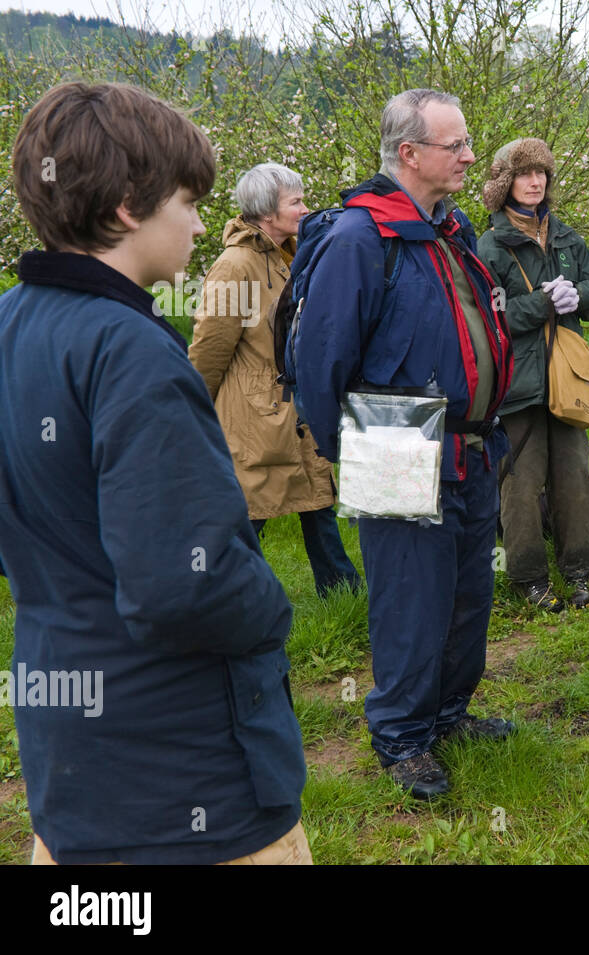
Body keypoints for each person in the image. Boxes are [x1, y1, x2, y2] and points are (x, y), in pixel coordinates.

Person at [0, 82, 309, 864]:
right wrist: (270, 606)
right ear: (131, 205)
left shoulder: (11, 325)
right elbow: (182, 584)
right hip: (182, 777)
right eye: (187, 200)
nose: (203, 221)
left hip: (70, 758)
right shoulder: (130, 350)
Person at [290, 89, 515, 801]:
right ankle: (402, 736)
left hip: (474, 450)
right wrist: (360, 455)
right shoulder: (362, 240)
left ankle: (447, 714)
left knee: (466, 598)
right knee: (410, 603)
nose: (472, 156)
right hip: (396, 449)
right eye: (458, 146)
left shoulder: (451, 228)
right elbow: (319, 364)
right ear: (409, 153)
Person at [188, 162, 361, 598]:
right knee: (250, 512)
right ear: (267, 211)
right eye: (296, 201)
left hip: (294, 407)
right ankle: (214, 598)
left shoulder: (290, 255)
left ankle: (342, 594)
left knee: (316, 500)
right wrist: (194, 412)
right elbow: (210, 348)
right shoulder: (235, 266)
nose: (306, 208)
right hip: (255, 414)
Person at [475, 138, 589, 611]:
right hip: (517, 386)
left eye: (541, 174)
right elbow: (486, 318)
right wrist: (541, 304)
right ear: (504, 183)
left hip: (567, 380)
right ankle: (529, 579)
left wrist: (580, 295)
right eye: (524, 174)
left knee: (576, 480)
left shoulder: (567, 237)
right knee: (520, 485)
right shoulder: (489, 247)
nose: (534, 182)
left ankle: (580, 572)